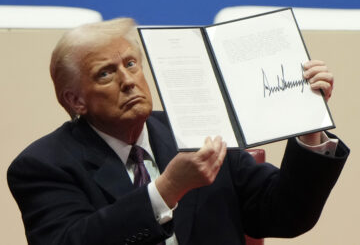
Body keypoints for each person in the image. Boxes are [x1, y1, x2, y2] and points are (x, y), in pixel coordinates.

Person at [7, 18, 349, 245]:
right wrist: (167, 189)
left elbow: (285, 215)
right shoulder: (43, 166)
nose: (128, 81)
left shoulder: (196, 128)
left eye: (130, 64)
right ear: (75, 100)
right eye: (105, 74)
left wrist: (309, 129)